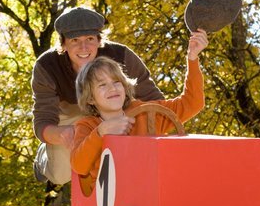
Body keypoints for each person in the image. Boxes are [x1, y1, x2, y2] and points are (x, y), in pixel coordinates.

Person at [31, 7, 163, 185]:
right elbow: (42, 122)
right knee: (60, 176)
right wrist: (63, 134)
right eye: (75, 40)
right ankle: (44, 158)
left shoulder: (122, 56)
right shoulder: (47, 66)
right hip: (71, 118)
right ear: (63, 44)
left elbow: (154, 100)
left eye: (90, 39)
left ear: (100, 40)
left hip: (116, 112)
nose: (83, 47)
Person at [71, 30, 208, 196]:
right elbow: (79, 165)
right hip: (111, 203)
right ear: (91, 98)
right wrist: (101, 132)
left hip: (151, 194)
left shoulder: (146, 113)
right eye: (102, 85)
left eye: (116, 82)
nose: (112, 88)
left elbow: (192, 103)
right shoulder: (88, 126)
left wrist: (192, 58)